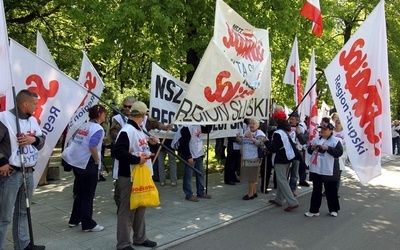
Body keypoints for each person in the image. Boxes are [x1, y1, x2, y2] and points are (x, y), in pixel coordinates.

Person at [0, 90, 46, 250]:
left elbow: (42, 140)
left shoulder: (32, 120)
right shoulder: (4, 118)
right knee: (4, 216)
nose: (37, 107)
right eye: (35, 104)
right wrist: (2, 161)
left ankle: (23, 244)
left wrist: (33, 139)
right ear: (25, 103)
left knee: (23, 211)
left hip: (28, 171)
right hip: (11, 173)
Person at [112, 101, 159, 250]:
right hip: (129, 176)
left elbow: (140, 148)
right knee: (127, 210)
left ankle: (140, 238)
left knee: (141, 207)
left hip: (141, 175)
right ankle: (123, 244)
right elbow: (117, 152)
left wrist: (151, 144)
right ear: (143, 115)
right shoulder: (127, 130)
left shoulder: (138, 129)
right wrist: (137, 160)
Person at [61, 104, 107, 232]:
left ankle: (74, 219)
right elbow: (92, 146)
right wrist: (97, 160)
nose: (105, 115)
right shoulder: (98, 129)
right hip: (88, 164)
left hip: (78, 163)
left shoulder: (84, 126)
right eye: (104, 113)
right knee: (88, 195)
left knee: (80, 193)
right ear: (99, 115)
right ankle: (88, 224)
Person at [305, 119, 343, 217]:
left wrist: (328, 148)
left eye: (325, 129)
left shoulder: (335, 141)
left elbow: (339, 153)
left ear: (330, 131)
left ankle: (334, 209)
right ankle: (314, 210)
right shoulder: (316, 139)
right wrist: (312, 148)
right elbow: (309, 151)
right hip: (317, 168)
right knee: (316, 190)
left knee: (331, 190)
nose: (322, 131)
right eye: (321, 129)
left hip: (329, 168)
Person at [267, 110, 299, 212]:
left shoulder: (277, 133)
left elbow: (273, 148)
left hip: (281, 159)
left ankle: (292, 202)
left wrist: (266, 142)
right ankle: (279, 199)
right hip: (288, 157)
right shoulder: (285, 131)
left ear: (276, 120)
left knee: (281, 180)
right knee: (283, 179)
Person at [177, 125, 211, 202]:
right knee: (188, 176)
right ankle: (188, 194)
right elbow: (183, 143)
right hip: (191, 155)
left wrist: (210, 122)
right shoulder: (186, 127)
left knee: (200, 173)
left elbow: (207, 130)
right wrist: (188, 156)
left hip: (198, 154)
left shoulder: (198, 125)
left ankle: (201, 192)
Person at [236, 119, 266, 200]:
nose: (251, 125)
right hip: (246, 157)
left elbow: (261, 144)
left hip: (254, 157)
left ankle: (250, 194)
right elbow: (242, 142)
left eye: (253, 123)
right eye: (250, 123)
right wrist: (239, 139)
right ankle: (254, 191)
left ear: (258, 125)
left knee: (252, 177)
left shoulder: (260, 133)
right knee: (250, 176)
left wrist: (252, 138)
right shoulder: (247, 131)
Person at [287, 111, 309, 196]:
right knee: (286, 171)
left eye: (292, 119)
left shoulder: (301, 128)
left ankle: (292, 189)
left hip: (297, 152)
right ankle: (285, 189)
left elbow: (304, 141)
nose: (290, 121)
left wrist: (299, 133)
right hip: (288, 152)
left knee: (294, 172)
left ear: (297, 120)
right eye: (290, 119)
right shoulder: (287, 127)